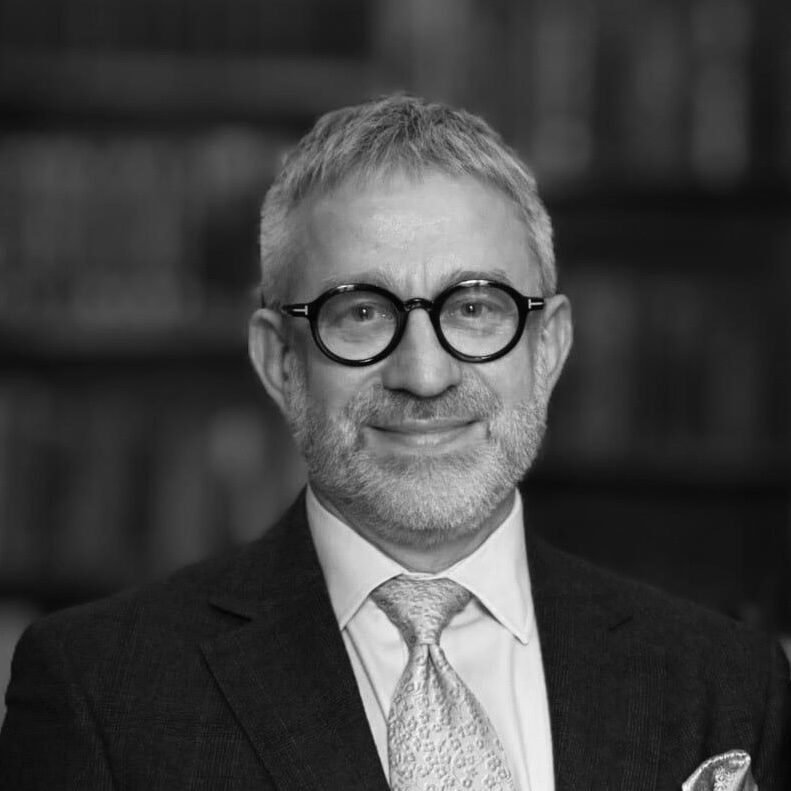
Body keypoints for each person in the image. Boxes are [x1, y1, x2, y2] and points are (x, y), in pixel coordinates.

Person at [0, 94, 788, 791]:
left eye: (474, 308)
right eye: (361, 313)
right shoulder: (100, 692)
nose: (423, 374)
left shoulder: (724, 681)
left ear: (546, 349)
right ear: (279, 361)